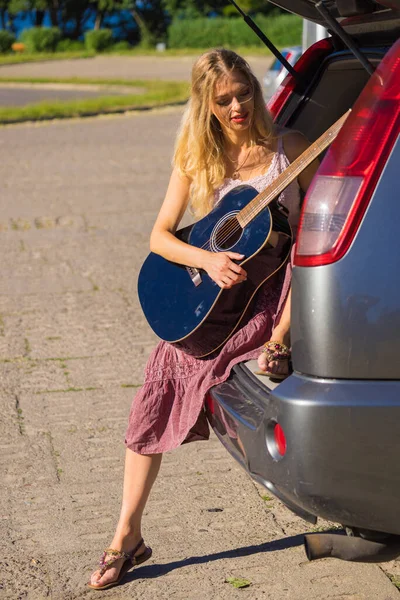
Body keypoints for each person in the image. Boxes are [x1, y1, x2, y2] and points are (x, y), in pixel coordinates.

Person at [88, 48, 319, 590]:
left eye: (245, 92)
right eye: (225, 99)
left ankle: (277, 348)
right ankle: (126, 534)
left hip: (272, 296)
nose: (239, 105)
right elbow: (159, 236)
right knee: (158, 381)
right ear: (206, 105)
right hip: (217, 303)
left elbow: (314, 241)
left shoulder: (289, 149)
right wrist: (208, 258)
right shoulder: (199, 158)